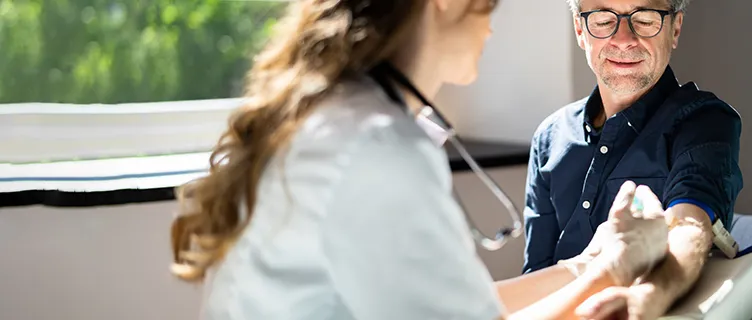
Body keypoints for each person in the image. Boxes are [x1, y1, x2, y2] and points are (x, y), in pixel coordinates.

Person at [167, 0, 671, 319]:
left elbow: (467, 303)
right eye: (489, 6)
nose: (492, 29)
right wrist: (616, 268)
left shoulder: (336, 117)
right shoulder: (377, 147)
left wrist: (587, 264)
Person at [522, 0, 744, 318]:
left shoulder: (703, 121)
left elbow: (691, 226)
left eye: (645, 18)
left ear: (675, 27)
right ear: (579, 30)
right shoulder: (549, 136)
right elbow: (536, 275)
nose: (624, 38)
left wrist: (646, 297)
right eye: (601, 20)